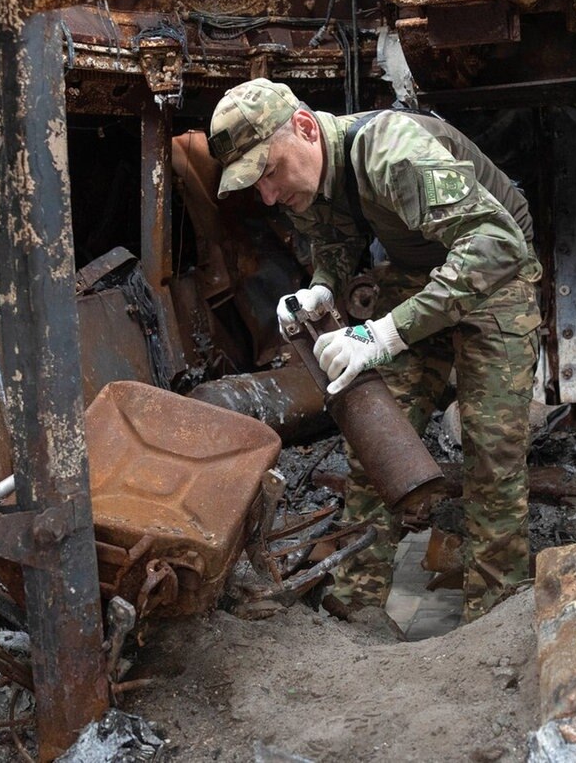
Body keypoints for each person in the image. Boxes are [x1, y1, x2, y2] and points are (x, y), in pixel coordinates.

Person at [208, 78, 542, 622]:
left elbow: (497, 242)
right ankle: (357, 604)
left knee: (492, 452)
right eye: (255, 183)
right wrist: (320, 285)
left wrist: (382, 334)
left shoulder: (391, 150)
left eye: (269, 171)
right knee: (372, 436)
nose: (267, 194)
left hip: (495, 274)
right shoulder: (308, 180)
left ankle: (495, 616)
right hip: (417, 273)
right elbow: (337, 241)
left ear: (305, 128)